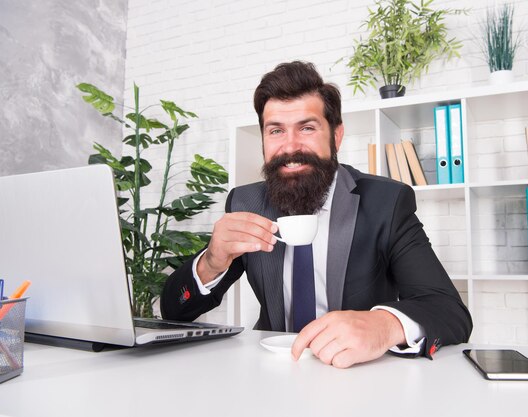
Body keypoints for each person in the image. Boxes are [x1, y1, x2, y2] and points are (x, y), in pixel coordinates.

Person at [161, 61, 472, 368]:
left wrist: (384, 325)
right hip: (272, 371)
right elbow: (174, 312)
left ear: (336, 136)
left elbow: (450, 312)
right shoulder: (246, 201)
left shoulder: (386, 202)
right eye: (276, 131)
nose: (290, 146)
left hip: (358, 376)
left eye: (307, 128)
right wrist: (212, 262)